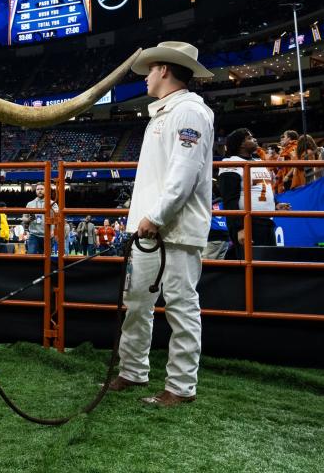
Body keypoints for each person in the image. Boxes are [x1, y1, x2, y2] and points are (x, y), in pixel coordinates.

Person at [112, 41, 215, 407]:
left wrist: (154, 217)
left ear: (165, 70)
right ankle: (132, 369)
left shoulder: (189, 112)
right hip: (149, 230)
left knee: (181, 306)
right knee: (136, 301)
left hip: (174, 229)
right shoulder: (165, 114)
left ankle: (181, 386)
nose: (146, 77)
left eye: (150, 69)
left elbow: (183, 175)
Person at [217, 128, 290, 259]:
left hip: (266, 221)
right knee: (252, 265)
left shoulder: (258, 162)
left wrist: (275, 204)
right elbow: (229, 200)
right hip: (248, 222)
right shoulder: (231, 163)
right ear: (240, 144)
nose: (254, 139)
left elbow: (264, 187)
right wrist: (239, 228)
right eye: (249, 138)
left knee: (268, 263)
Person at [22, 183, 57, 255]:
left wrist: (54, 232)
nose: (39, 191)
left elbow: (57, 218)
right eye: (38, 189)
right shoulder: (30, 204)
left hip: (48, 235)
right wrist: (28, 219)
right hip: (34, 235)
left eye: (41, 189)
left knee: (46, 259)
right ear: (35, 191)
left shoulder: (52, 203)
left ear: (46, 190)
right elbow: (24, 218)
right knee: (31, 256)